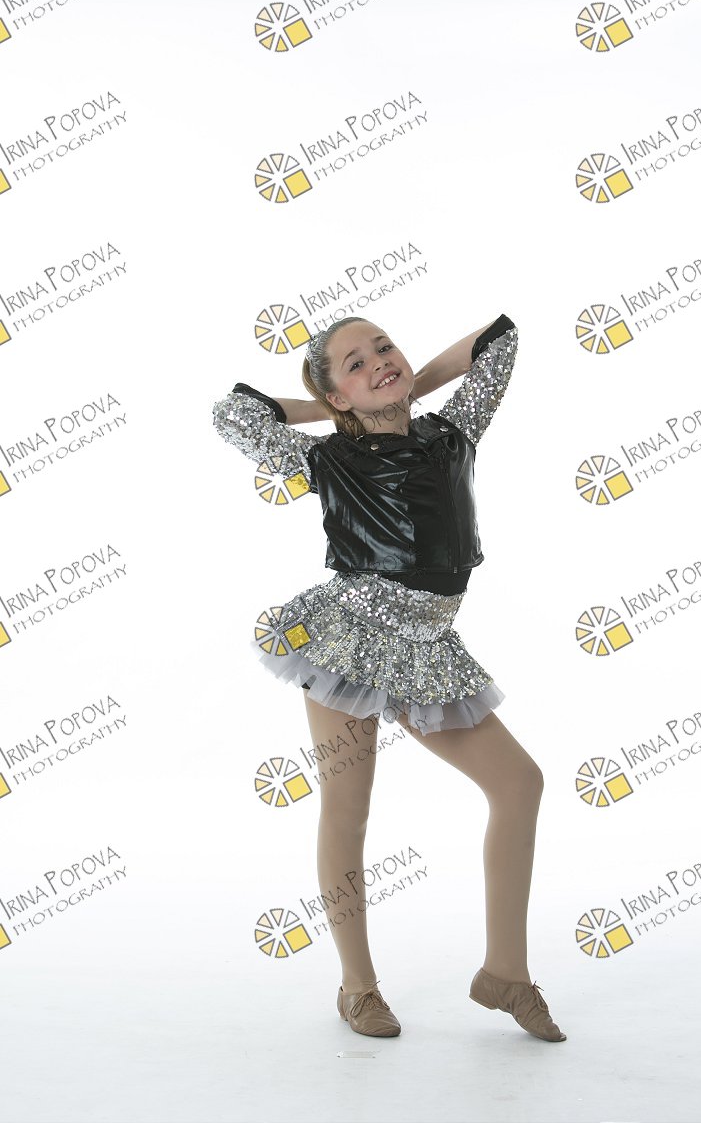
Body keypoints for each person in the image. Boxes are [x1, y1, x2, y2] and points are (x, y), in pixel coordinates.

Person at [212, 313, 566, 1043]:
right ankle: (357, 986)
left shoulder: (454, 431)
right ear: (334, 395)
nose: (378, 360)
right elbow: (233, 414)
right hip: (346, 639)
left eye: (384, 347)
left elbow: (499, 342)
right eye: (354, 363)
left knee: (519, 784)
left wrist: (405, 389)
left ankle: (505, 974)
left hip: (429, 647)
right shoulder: (326, 460)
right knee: (350, 809)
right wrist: (335, 413)